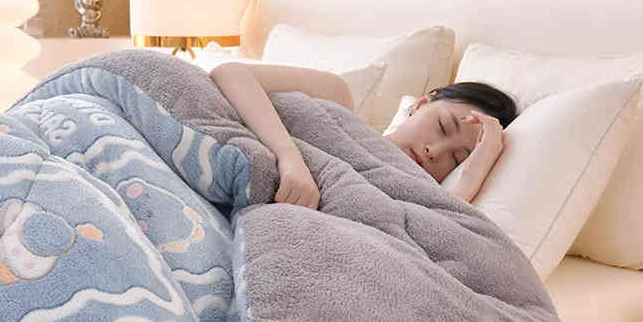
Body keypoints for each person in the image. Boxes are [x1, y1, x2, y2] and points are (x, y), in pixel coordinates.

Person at [209, 62, 517, 208]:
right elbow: (230, 73)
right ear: (421, 103)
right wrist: (289, 157)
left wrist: (471, 178)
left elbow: (437, 227)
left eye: (456, 159)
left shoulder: (411, 199)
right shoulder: (337, 96)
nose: (434, 152)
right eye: (443, 127)